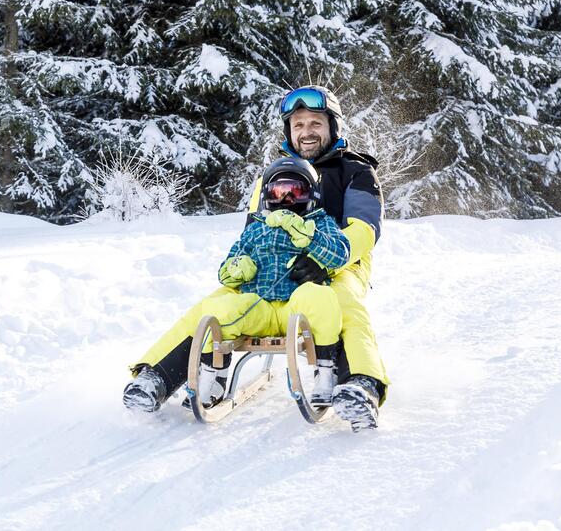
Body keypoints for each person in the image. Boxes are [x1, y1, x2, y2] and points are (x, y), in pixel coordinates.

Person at [124, 85, 389, 431]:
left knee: (343, 303)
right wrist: (242, 267)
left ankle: (362, 385)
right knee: (217, 302)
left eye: (315, 124)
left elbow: (364, 230)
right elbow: (253, 227)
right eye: (298, 125)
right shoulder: (273, 175)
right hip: (272, 265)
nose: (306, 132)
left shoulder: (356, 171)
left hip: (340, 264)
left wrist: (324, 260)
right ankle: (155, 376)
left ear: (332, 127)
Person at [123, 157, 351, 414]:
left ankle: (325, 373)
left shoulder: (320, 223)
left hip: (297, 306)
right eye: (279, 192)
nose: (286, 200)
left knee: (321, 297)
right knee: (219, 309)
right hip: (259, 307)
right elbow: (226, 269)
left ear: (311, 196)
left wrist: (309, 236)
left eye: (295, 192)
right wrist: (237, 268)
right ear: (268, 196)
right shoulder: (256, 229)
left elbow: (342, 253)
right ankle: (215, 376)